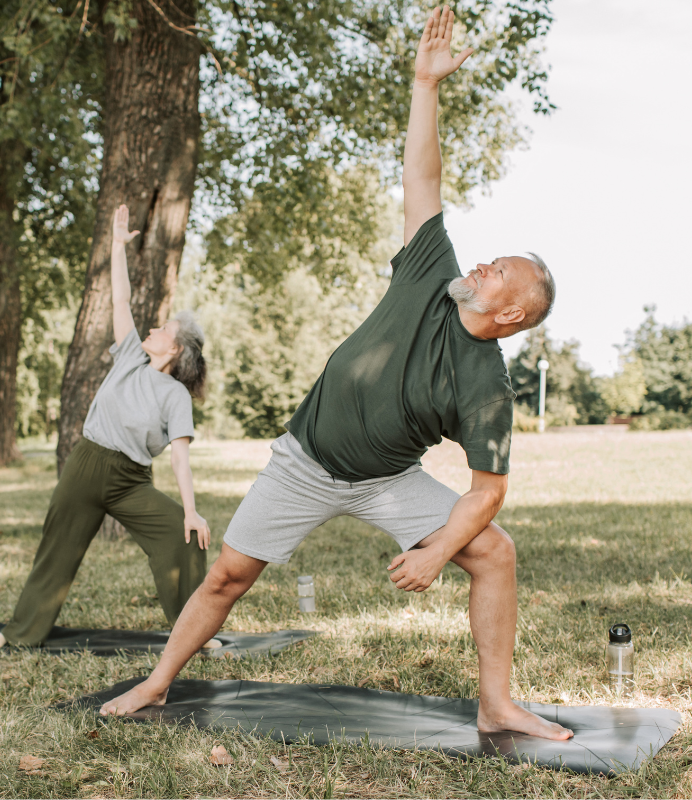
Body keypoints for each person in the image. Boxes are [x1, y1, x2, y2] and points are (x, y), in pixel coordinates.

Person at [100, 6, 570, 740]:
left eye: (499, 269)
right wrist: (425, 84)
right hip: (304, 460)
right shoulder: (431, 271)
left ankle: (497, 704)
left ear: (511, 314)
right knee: (227, 577)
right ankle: (158, 685)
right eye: (490, 256)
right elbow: (422, 172)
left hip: (384, 479)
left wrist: (438, 550)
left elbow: (488, 492)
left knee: (494, 552)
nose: (482, 263)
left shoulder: (486, 385)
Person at [0, 204, 211, 647]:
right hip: (86, 466)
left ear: (176, 349)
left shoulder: (175, 395)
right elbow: (121, 297)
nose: (153, 326)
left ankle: (194, 635)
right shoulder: (129, 355)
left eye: (163, 327)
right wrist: (117, 246)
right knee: (57, 549)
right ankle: (19, 634)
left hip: (130, 481)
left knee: (184, 537)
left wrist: (190, 510)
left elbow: (180, 459)